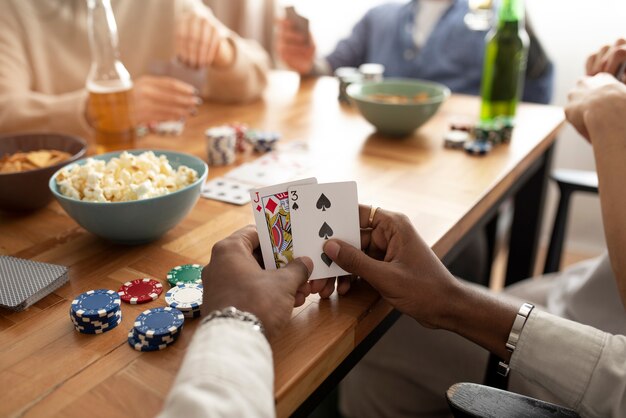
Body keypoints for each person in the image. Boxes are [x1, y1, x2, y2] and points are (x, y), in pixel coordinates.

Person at [158, 40, 626, 418]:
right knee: (370, 324)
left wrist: (609, 115)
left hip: (590, 356)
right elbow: (332, 60)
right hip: (573, 301)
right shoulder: (383, 17)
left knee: (368, 337)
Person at [0, 0, 270, 138]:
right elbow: (5, 110)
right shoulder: (11, 9)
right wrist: (100, 110)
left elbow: (259, 73)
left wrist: (222, 50)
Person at [276, 0, 553, 104]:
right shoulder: (379, 15)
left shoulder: (495, 14)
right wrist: (307, 65)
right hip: (380, 151)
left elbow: (537, 76)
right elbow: (332, 68)